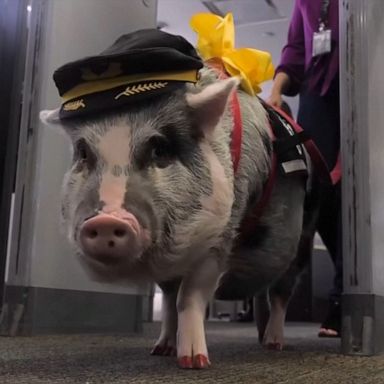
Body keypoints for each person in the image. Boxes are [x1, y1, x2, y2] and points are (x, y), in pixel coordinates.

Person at [268, 0, 342, 337]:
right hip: (316, 93)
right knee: (317, 192)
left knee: (357, 191)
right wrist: (277, 89)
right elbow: (295, 51)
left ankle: (344, 299)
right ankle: (344, 296)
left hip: (361, 83)